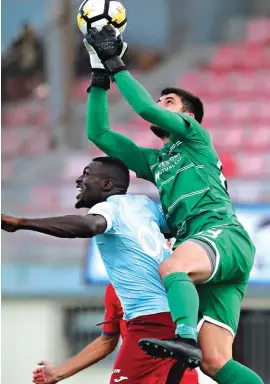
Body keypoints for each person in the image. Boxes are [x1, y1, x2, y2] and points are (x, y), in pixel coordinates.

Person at [81, 26, 263, 384]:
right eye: (162, 100)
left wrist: (117, 63)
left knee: (172, 267)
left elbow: (145, 107)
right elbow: (98, 134)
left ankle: (183, 337)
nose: (161, 104)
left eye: (170, 102)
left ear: (188, 118)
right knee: (214, 361)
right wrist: (100, 77)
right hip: (213, 252)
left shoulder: (195, 139)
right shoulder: (155, 162)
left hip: (221, 235)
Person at [2, 157, 196, 384]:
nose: (79, 179)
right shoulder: (143, 205)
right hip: (177, 322)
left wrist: (22, 223)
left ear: (107, 185)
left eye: (86, 174)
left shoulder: (108, 208)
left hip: (151, 323)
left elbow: (90, 225)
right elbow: (107, 341)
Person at [32, 283, 199, 384]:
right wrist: (57, 373)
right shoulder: (116, 288)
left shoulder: (180, 284)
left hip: (181, 378)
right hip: (136, 377)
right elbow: (107, 341)